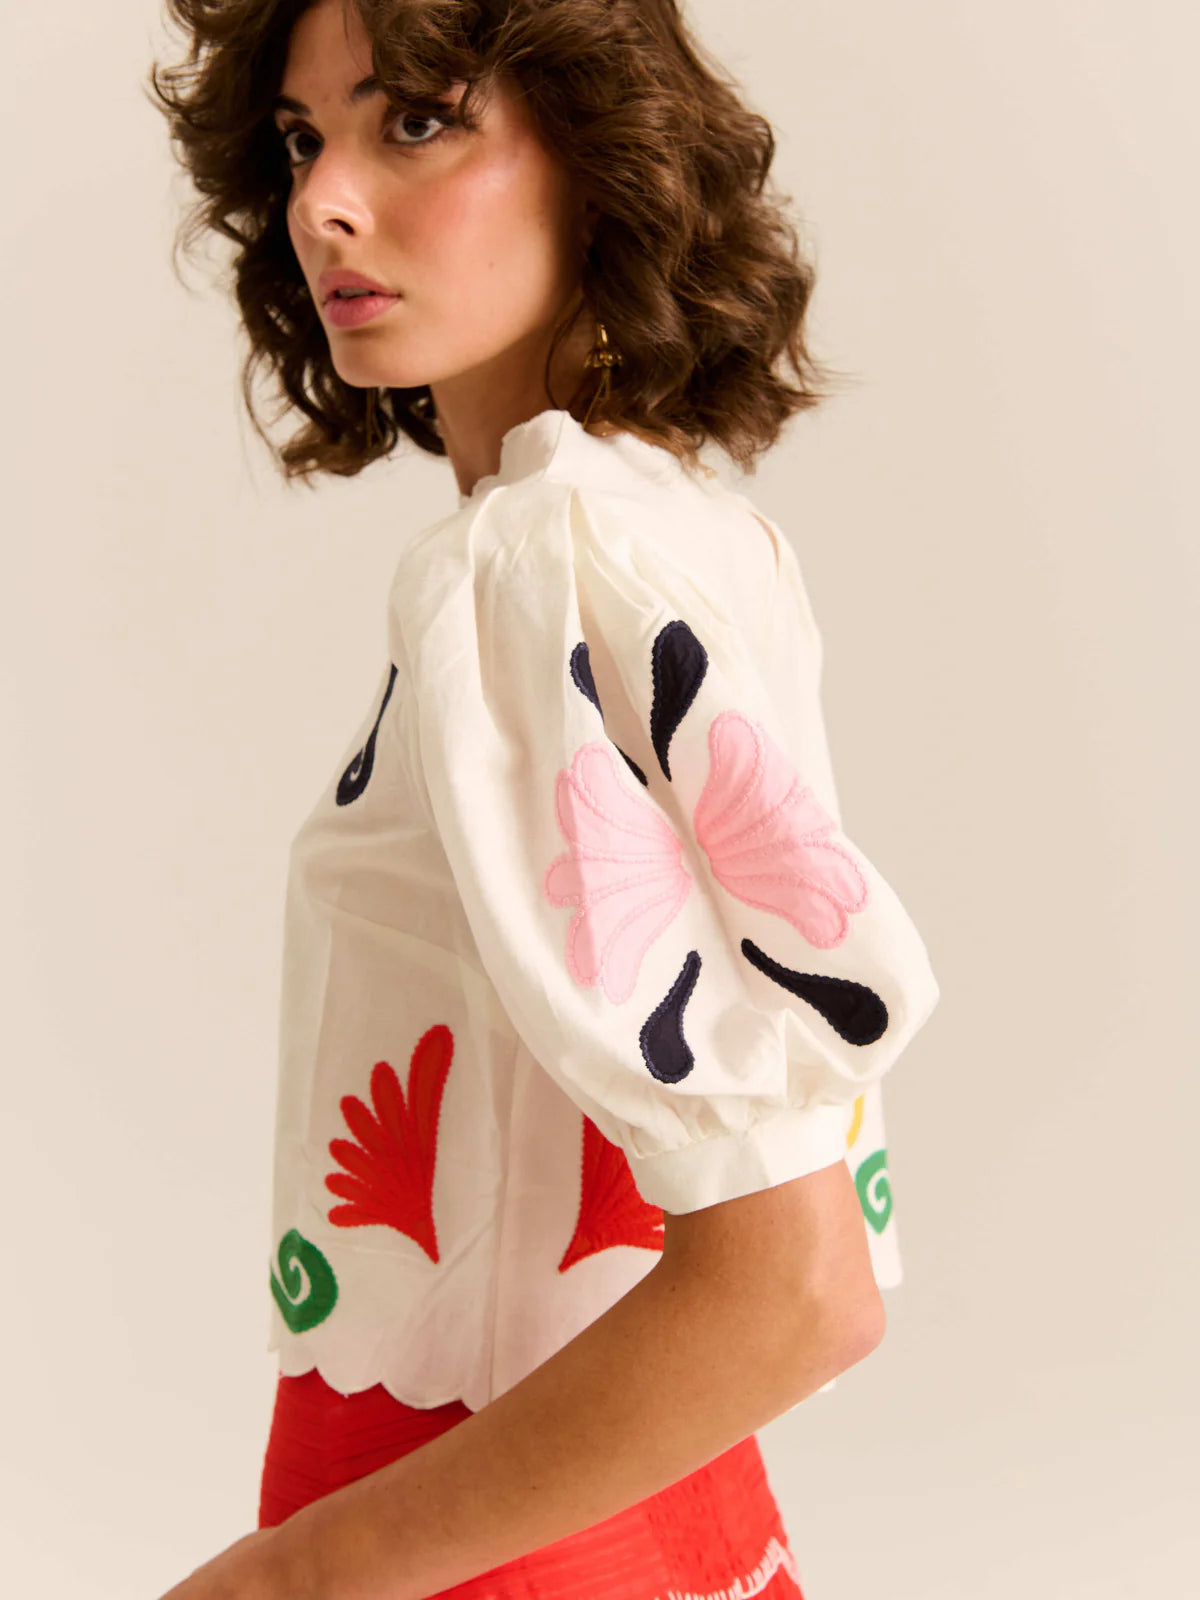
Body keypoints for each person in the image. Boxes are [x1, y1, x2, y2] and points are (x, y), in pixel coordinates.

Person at [147, 1, 940, 1595]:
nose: (323, 201)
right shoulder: (684, 530)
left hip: (471, 1514)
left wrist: (296, 1574)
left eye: (415, 120)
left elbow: (795, 1285)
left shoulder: (540, 556)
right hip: (641, 1501)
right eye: (304, 140)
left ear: (598, 149)